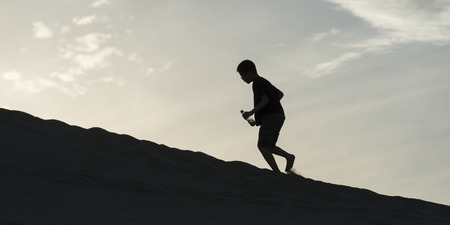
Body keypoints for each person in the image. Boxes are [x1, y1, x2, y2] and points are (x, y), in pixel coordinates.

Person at [237, 59, 295, 173]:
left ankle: (276, 173)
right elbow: (280, 94)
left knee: (262, 146)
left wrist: (251, 112)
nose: (242, 79)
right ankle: (289, 157)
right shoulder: (264, 81)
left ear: (249, 72)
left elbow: (265, 100)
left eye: (242, 75)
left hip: (271, 116)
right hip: (279, 115)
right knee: (270, 146)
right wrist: (272, 105)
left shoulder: (257, 83)